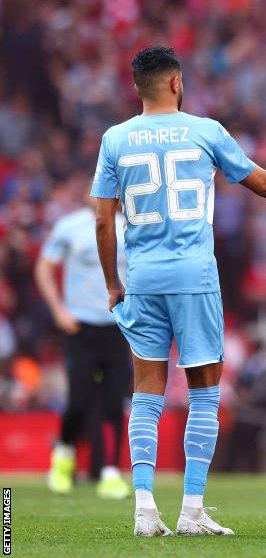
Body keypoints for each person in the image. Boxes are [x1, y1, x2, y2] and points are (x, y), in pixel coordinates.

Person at [92, 45, 266, 537]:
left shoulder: (115, 139)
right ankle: (192, 509)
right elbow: (258, 181)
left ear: (138, 88)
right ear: (176, 83)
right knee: (205, 394)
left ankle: (145, 510)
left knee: (147, 394)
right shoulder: (205, 131)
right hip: (193, 275)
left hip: (145, 278)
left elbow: (103, 220)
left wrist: (114, 281)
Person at [37, 184, 131, 499]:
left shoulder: (129, 225)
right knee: (79, 399)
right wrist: (58, 310)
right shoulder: (71, 226)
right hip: (79, 326)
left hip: (117, 324)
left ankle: (110, 472)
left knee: (114, 401)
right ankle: (63, 454)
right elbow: (44, 269)